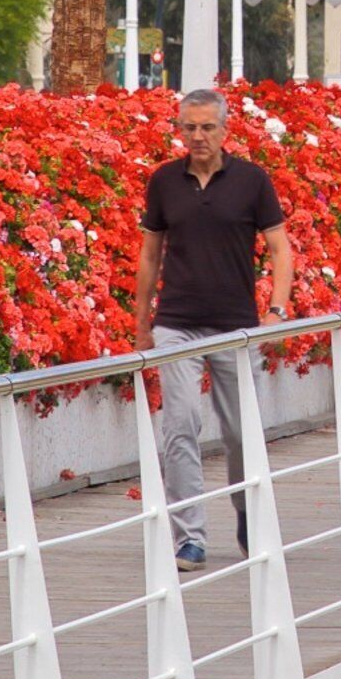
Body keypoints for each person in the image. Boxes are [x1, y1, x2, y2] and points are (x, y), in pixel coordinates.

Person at [135, 88, 293, 571]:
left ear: (225, 131)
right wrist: (142, 323)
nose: (198, 136)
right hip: (177, 325)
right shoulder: (164, 182)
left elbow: (279, 250)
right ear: (179, 130)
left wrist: (277, 312)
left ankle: (247, 512)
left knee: (242, 433)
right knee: (179, 425)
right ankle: (190, 538)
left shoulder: (251, 181)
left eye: (207, 127)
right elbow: (149, 254)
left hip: (236, 325)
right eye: (189, 127)